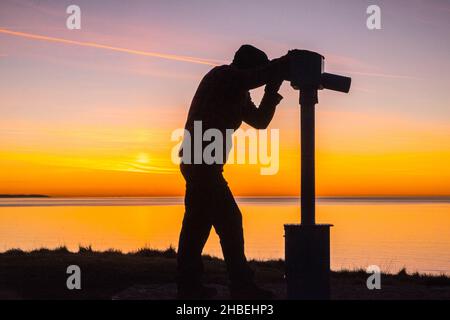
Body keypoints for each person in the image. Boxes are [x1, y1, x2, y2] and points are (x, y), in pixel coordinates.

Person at [177, 45, 290, 299]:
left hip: (203, 165)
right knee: (228, 221)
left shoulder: (239, 91)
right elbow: (253, 78)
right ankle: (240, 286)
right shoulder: (224, 76)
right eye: (257, 71)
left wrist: (272, 89)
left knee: (196, 227)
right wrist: (285, 63)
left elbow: (260, 121)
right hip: (201, 163)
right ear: (247, 65)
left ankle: (190, 287)